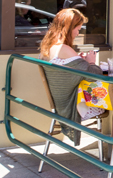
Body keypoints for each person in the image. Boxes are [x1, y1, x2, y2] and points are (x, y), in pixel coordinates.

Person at [39, 8, 105, 146]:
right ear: (68, 29)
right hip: (72, 107)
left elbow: (71, 69)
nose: (78, 33)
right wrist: (91, 61)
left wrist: (80, 62)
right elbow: (94, 75)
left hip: (60, 104)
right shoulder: (64, 49)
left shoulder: (48, 47)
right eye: (77, 29)